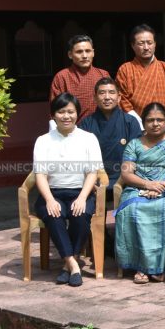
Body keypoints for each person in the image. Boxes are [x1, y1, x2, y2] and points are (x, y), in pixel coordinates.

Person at [116, 102, 165, 284]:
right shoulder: (134, 144)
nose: (155, 124)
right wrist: (148, 184)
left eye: (160, 120)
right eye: (150, 120)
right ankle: (142, 266)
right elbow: (126, 173)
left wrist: (162, 185)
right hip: (139, 186)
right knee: (131, 210)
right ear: (143, 123)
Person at [32, 93, 103, 287]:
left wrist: (82, 198)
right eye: (61, 112)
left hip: (80, 192)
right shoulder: (43, 140)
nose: (66, 116)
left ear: (77, 114)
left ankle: (66, 266)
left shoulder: (88, 138)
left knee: (80, 215)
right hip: (52, 193)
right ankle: (73, 264)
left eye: (70, 112)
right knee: (53, 215)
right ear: (53, 115)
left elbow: (92, 173)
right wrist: (49, 200)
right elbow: (40, 175)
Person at [78, 77, 142, 189]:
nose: (107, 97)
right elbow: (81, 156)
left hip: (126, 180)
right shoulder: (86, 123)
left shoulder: (130, 121)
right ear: (95, 98)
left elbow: (138, 154)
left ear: (119, 97)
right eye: (102, 93)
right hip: (93, 181)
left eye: (111, 92)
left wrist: (124, 179)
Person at [115, 25, 165, 116]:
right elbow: (121, 97)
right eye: (141, 43)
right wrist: (136, 120)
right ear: (133, 46)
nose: (146, 47)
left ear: (155, 44)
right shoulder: (125, 69)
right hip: (135, 121)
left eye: (149, 43)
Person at [49, 35, 111, 121]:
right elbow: (55, 109)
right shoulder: (62, 77)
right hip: (72, 127)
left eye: (88, 51)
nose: (84, 56)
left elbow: (112, 103)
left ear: (93, 53)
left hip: (100, 125)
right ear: (70, 55)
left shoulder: (103, 75)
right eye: (79, 52)